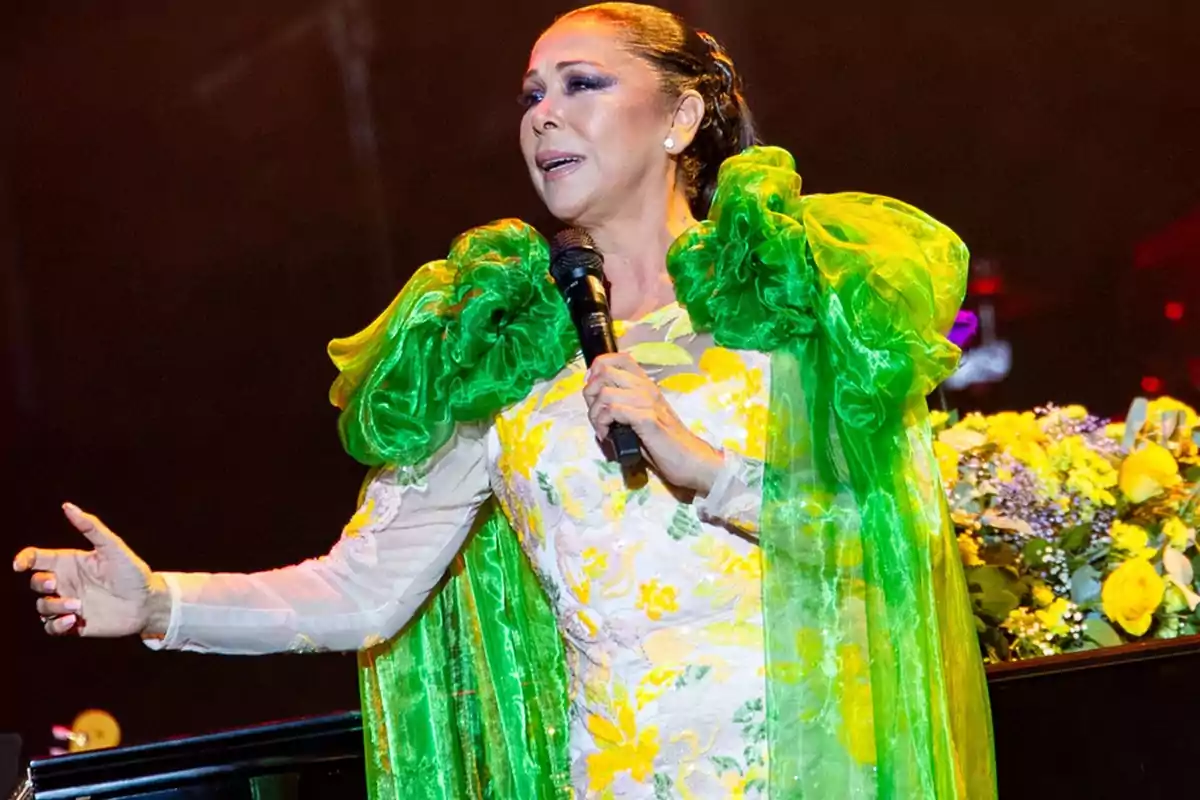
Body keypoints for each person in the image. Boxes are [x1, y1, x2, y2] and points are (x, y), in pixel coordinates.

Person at [13, 4, 996, 798]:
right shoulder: (505, 354)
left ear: (680, 118)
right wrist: (159, 602)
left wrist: (706, 465)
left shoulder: (791, 303)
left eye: (582, 84)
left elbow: (895, 541)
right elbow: (361, 589)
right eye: (532, 93)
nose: (542, 113)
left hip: (816, 771)